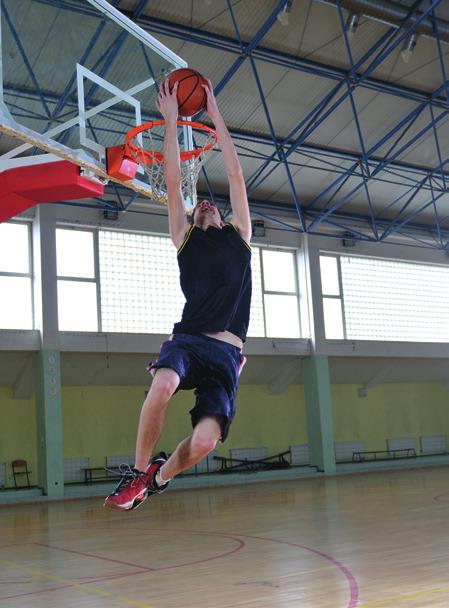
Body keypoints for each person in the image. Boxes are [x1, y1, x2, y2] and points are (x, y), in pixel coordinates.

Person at [105, 77, 252, 511]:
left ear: (224, 217)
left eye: (214, 205)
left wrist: (215, 112)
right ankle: (137, 471)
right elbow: (172, 179)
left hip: (226, 355)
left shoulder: (240, 237)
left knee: (206, 441)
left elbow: (236, 172)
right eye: (200, 204)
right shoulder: (183, 237)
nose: (207, 203)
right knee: (164, 382)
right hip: (187, 340)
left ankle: (160, 477)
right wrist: (171, 121)